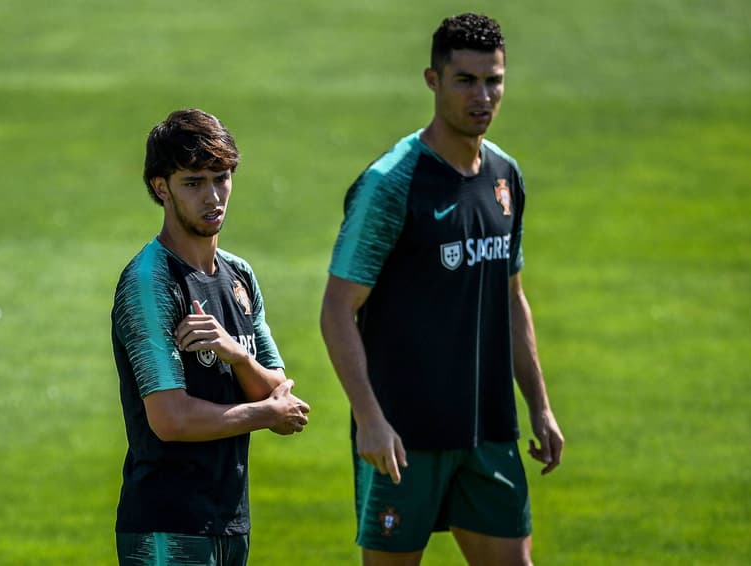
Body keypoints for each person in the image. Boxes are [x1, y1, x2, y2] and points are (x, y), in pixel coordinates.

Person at [320, 13, 564, 566]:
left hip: (489, 429)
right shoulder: (391, 184)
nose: (483, 96)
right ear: (433, 80)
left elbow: (511, 298)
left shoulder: (505, 175)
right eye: (466, 80)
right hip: (403, 437)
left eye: (494, 80)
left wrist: (540, 407)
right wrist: (370, 420)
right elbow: (337, 309)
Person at [111, 108, 311, 566]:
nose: (213, 196)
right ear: (161, 188)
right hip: (167, 527)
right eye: (194, 182)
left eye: (221, 178)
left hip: (230, 523)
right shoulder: (151, 282)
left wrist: (237, 355)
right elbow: (171, 419)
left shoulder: (239, 276)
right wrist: (265, 411)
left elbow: (279, 390)